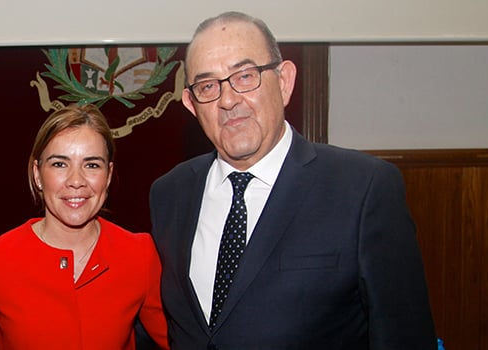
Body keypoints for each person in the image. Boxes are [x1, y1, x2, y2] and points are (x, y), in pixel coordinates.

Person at [148, 11, 436, 349]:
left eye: (245, 76)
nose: (227, 100)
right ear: (192, 104)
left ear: (284, 81)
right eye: (208, 86)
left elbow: (405, 337)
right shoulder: (170, 193)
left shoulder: (363, 189)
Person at [0, 104, 169, 350]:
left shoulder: (139, 253)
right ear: (37, 174)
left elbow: (183, 339)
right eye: (60, 164)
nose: (76, 181)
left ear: (109, 175)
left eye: (92, 165)